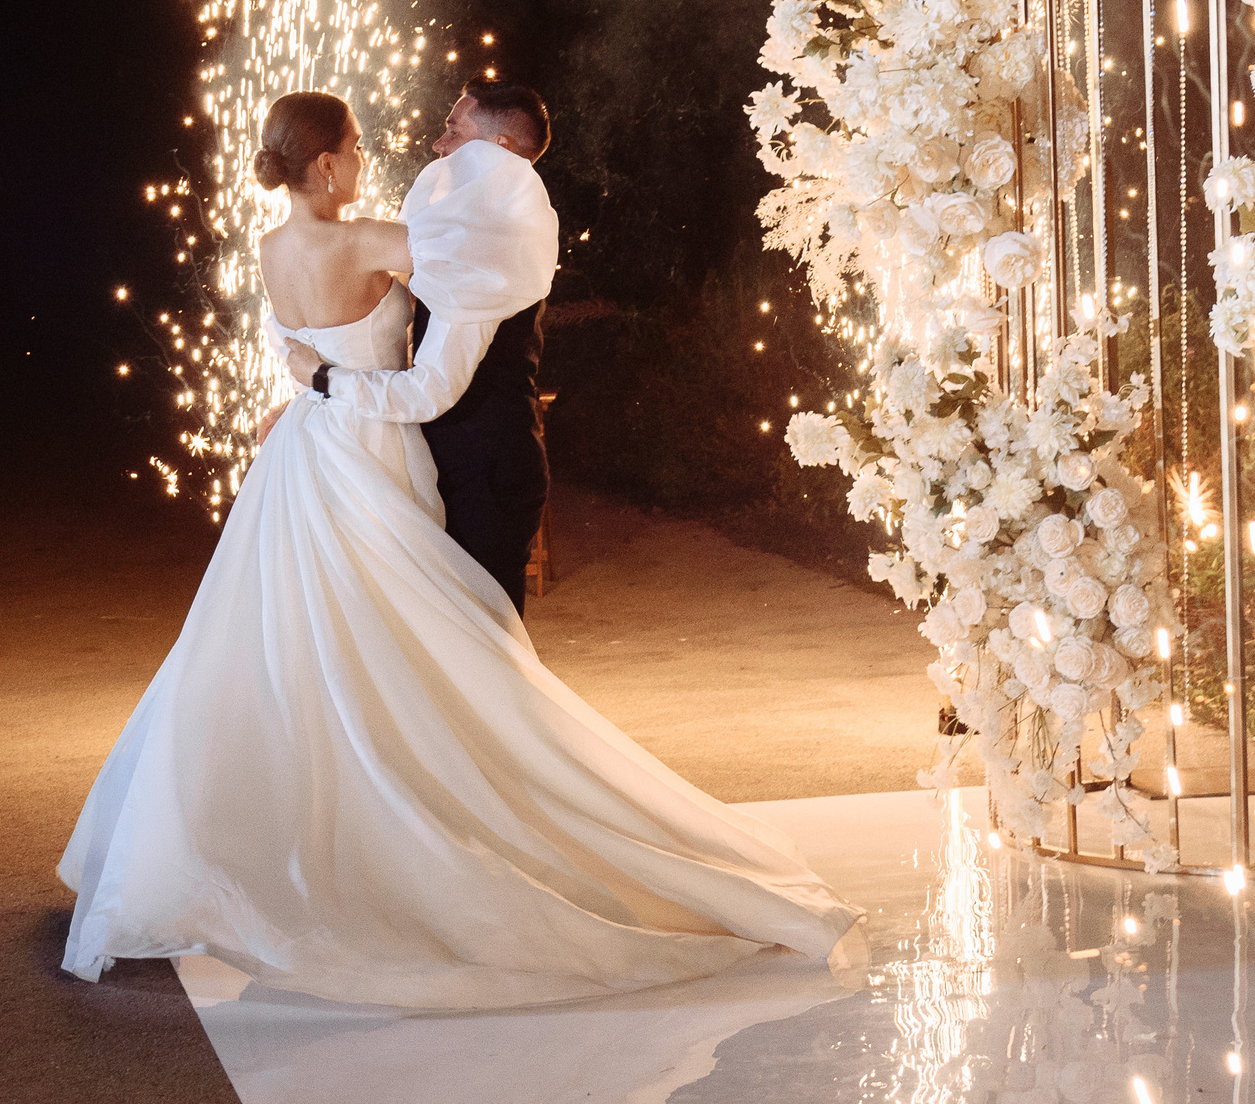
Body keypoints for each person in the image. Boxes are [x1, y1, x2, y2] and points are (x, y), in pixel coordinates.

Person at [56, 90, 859, 1009]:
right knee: (430, 647)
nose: (372, 157)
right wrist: (509, 212)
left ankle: (314, 838)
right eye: (355, 148)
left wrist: (320, 376)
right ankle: (443, 834)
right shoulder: (367, 242)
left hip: (304, 451)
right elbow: (471, 269)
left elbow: (328, 339)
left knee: (304, 645)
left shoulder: (273, 247)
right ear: (324, 166)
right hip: (373, 450)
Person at [280, 82, 550, 610]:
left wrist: (321, 381)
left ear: (499, 150)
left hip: (484, 473)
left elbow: (430, 391)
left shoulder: (485, 252)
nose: (437, 145)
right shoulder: (479, 235)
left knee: (487, 657)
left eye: (455, 129)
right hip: (445, 462)